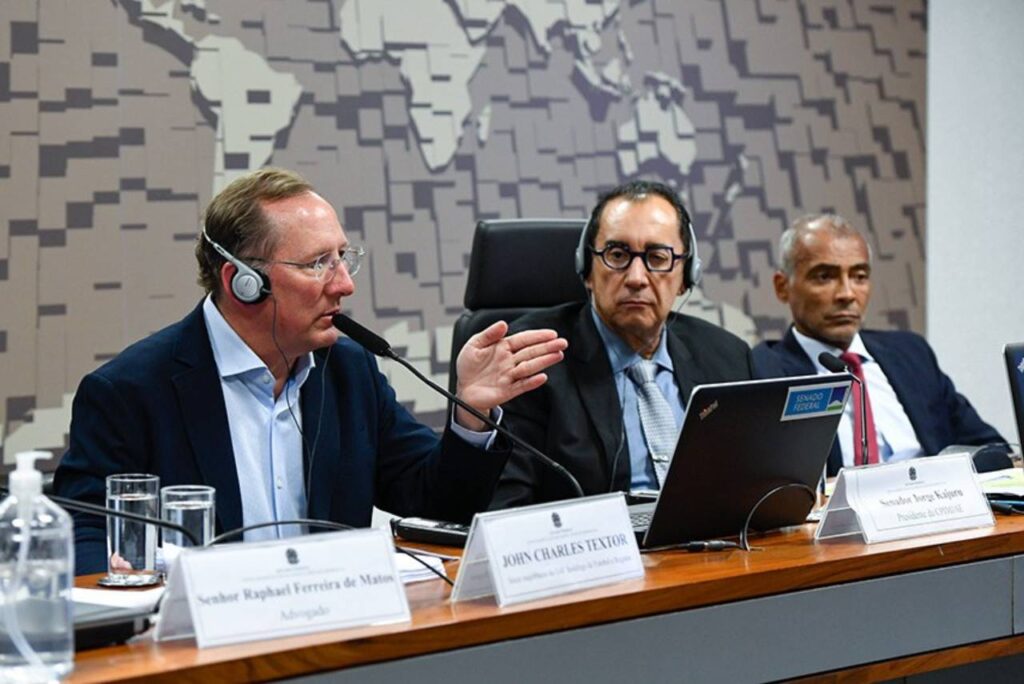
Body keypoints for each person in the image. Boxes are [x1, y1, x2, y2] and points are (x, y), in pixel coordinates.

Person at [54, 168, 567, 574]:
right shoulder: (131, 391)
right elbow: (84, 535)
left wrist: (471, 414)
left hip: (330, 637)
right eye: (319, 263)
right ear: (244, 283)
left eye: (344, 258)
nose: (344, 285)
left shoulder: (348, 370)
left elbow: (432, 502)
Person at [489, 180, 753, 508]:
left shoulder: (728, 356)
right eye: (617, 255)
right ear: (586, 270)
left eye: (658, 257)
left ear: (687, 276)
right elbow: (506, 508)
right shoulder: (536, 359)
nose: (636, 277)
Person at [753, 213, 1007, 475]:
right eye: (824, 277)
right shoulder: (763, 371)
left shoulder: (911, 354)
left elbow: (988, 448)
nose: (847, 294)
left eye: (859, 276)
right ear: (783, 287)